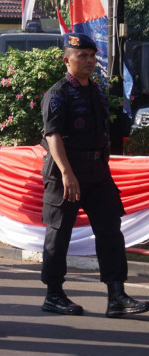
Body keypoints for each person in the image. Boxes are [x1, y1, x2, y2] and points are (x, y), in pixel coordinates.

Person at [40, 33, 149, 318]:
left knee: (111, 231)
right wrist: (66, 174)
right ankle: (53, 294)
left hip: (97, 173)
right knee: (59, 233)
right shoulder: (58, 93)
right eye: (82, 56)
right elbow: (52, 135)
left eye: (92, 56)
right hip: (65, 172)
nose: (89, 61)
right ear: (66, 59)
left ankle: (116, 296)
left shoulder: (96, 90)